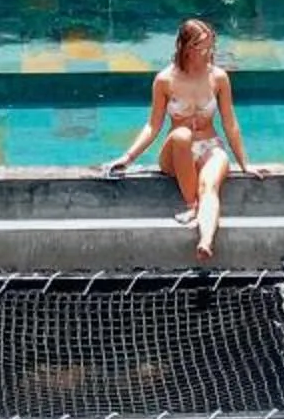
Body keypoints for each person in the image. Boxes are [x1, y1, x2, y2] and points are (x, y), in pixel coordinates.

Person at [101, 18, 262, 261]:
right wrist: (128, 157)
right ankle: (190, 205)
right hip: (177, 152)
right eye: (203, 47)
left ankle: (206, 241)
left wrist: (244, 164)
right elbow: (153, 125)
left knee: (209, 187)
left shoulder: (218, 78)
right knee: (182, 135)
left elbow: (230, 123)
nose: (209, 53)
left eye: (211, 47)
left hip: (210, 145)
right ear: (186, 48)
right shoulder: (165, 80)